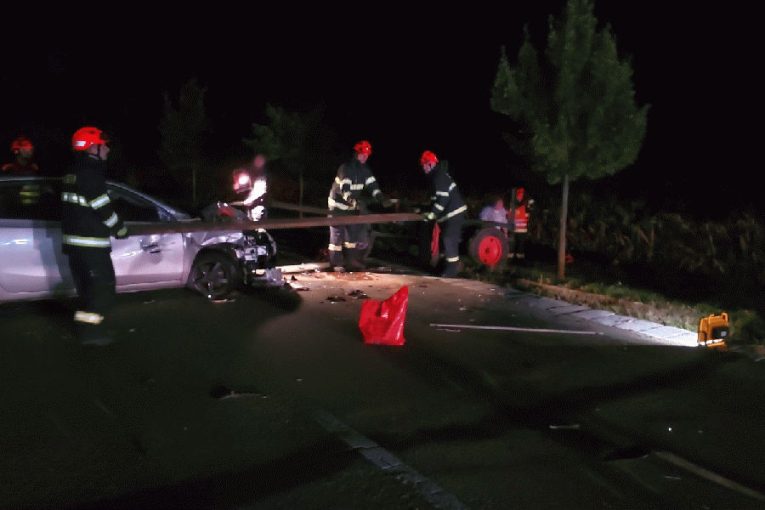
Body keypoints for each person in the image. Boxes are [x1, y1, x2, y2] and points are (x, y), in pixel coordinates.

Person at [61, 126, 128, 346]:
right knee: (103, 289)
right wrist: (120, 229)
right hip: (91, 246)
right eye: (103, 145)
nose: (107, 149)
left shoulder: (73, 171)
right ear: (92, 148)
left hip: (76, 245)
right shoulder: (90, 172)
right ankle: (92, 334)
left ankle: (87, 328)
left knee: (88, 291)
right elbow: (102, 207)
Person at [327, 140, 390, 271]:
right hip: (337, 208)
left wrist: (381, 197)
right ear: (356, 154)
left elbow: (373, 186)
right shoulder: (346, 168)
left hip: (351, 208)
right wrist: (353, 201)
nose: (365, 157)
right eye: (363, 154)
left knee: (352, 238)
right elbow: (345, 189)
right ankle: (336, 265)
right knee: (336, 239)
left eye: (367, 155)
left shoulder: (365, 170)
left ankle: (352, 264)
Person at [421, 150, 467, 278]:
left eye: (424, 165)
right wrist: (429, 211)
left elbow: (443, 199)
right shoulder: (436, 176)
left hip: (453, 213)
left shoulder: (438, 177)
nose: (423, 168)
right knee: (446, 240)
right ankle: (446, 266)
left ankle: (452, 270)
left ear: (431, 164)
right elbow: (436, 199)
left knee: (449, 239)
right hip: (450, 214)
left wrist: (432, 214)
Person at [2, 136, 42, 206]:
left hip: (32, 206)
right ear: (17, 150)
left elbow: (41, 186)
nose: (30, 150)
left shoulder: (34, 168)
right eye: (26, 148)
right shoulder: (7, 169)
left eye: (31, 148)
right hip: (13, 206)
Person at [232, 153, 268, 221]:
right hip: (249, 208)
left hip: (258, 208)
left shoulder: (260, 178)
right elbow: (239, 189)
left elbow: (260, 192)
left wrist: (248, 201)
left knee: (257, 224)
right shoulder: (247, 175)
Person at [509, 187, 533, 261]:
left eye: (521, 195)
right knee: (514, 244)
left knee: (519, 244)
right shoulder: (517, 205)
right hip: (516, 228)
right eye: (519, 195)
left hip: (520, 229)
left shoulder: (523, 205)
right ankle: (512, 258)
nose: (520, 197)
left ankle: (518, 259)